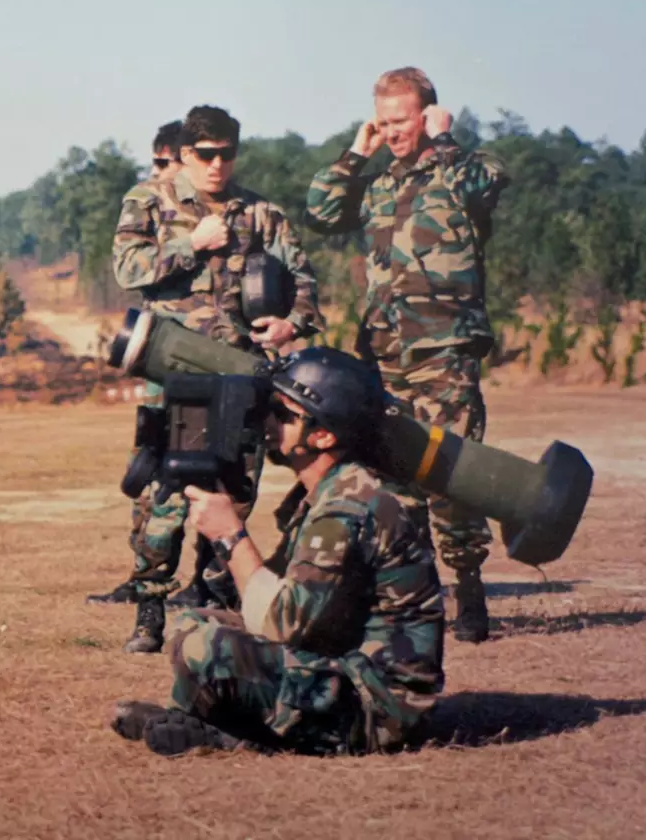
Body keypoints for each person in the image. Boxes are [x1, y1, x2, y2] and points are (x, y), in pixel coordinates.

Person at [111, 346, 446, 757]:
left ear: (323, 434)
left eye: (283, 414)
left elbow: (281, 623)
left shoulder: (348, 507)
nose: (268, 422)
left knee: (208, 647)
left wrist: (232, 536)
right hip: (340, 662)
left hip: (379, 707)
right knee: (194, 624)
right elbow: (266, 597)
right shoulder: (326, 493)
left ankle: (224, 736)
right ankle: (193, 722)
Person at [93, 107, 324, 654]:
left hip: (242, 375)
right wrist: (190, 243)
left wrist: (294, 321)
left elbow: (304, 276)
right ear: (186, 154)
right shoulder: (148, 200)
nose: (217, 165)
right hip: (174, 375)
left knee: (234, 492)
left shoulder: (261, 212)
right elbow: (127, 269)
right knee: (164, 493)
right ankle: (150, 609)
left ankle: (217, 604)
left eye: (227, 153)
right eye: (206, 155)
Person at [302, 67, 510, 643]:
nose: (393, 132)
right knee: (392, 475)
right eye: (384, 122)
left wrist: (445, 140)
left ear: (429, 115)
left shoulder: (463, 168)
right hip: (384, 353)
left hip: (444, 349)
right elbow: (320, 212)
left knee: (452, 474)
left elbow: (484, 187)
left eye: (403, 120)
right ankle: (412, 596)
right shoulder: (378, 185)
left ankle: (468, 591)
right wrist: (354, 152)